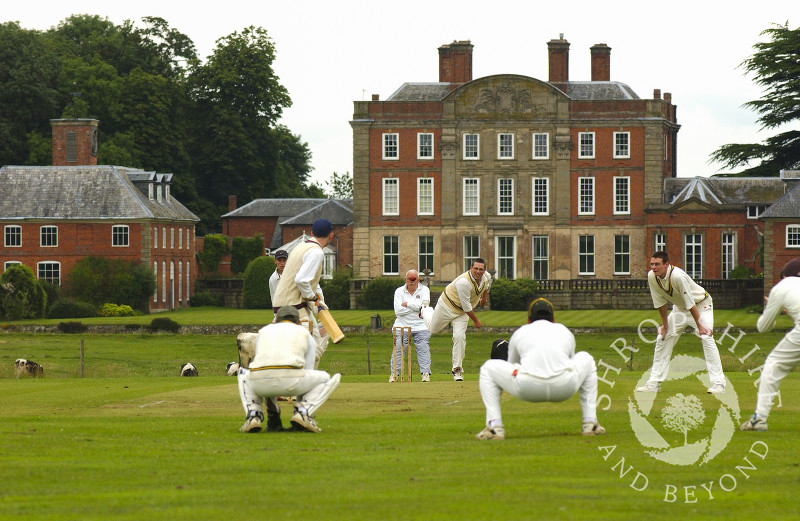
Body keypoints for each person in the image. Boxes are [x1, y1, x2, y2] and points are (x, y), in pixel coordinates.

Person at [475, 298, 605, 440]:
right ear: (553, 319)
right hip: (564, 387)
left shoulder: (521, 331)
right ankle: (590, 423)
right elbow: (570, 362)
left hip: (527, 387)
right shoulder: (564, 331)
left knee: (488, 368)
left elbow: (511, 365)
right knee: (586, 358)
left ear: (528, 319)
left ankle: (494, 427)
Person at [237, 306, 341, 433]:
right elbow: (308, 369)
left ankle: (254, 414)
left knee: (243, 374)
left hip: (259, 383)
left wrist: (272, 410)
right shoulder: (304, 334)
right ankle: (303, 412)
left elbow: (261, 365)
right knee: (324, 378)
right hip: (292, 381)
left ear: (276, 321)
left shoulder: (263, 332)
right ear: (298, 322)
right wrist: (301, 404)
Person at [636, 251, 726, 394]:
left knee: (706, 338)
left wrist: (700, 325)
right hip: (679, 309)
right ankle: (653, 384)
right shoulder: (652, 276)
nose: (653, 267)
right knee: (662, 337)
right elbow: (660, 303)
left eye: (657, 264)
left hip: (701, 306)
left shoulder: (678, 276)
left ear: (666, 264)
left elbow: (690, 303)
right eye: (652, 264)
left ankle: (718, 384)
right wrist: (665, 326)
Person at [741, 257, 800, 432]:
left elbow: (763, 327)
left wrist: (771, 312)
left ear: (784, 275)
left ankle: (759, 418)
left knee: (773, 364)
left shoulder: (780, 287)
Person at [272, 219, 333, 368]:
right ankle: (298, 388)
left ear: (312, 233)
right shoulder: (316, 252)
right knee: (308, 353)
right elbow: (301, 280)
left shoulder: (301, 247)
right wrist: (312, 298)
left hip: (287, 306)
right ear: (331, 236)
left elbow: (306, 281)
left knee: (317, 345)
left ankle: (304, 386)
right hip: (294, 308)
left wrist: (315, 301)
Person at [422, 258, 491, 381]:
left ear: (484, 270)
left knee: (459, 337)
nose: (478, 271)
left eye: (481, 269)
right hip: (447, 306)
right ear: (470, 268)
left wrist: (483, 300)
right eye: (475, 268)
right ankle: (425, 309)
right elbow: (467, 307)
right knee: (432, 329)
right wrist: (476, 321)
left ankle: (457, 370)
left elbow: (486, 285)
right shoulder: (464, 282)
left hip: (461, 313)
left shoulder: (487, 276)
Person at [390, 269, 432, 382]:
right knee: (398, 347)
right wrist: (416, 308)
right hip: (401, 325)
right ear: (405, 279)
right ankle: (394, 375)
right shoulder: (399, 291)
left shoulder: (425, 290)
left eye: (414, 279)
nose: (412, 282)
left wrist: (407, 304)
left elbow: (424, 307)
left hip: (421, 325)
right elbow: (398, 311)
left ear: (418, 279)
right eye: (410, 279)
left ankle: (425, 373)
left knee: (423, 348)